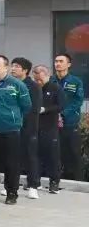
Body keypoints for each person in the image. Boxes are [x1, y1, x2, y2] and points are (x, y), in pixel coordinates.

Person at [0, 55, 31, 204]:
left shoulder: (17, 84)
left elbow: (26, 106)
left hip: (10, 130)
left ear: (6, 67)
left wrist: (13, 118)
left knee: (12, 164)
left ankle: (12, 193)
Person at [11, 57, 42, 200]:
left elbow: (34, 109)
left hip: (28, 126)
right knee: (12, 157)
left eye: (17, 66)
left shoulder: (33, 86)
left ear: (25, 70)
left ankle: (33, 186)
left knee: (30, 157)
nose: (13, 69)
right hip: (12, 126)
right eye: (12, 66)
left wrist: (27, 125)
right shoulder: (10, 84)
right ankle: (11, 185)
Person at [52, 53, 84, 183]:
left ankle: (79, 182)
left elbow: (78, 101)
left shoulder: (75, 81)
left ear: (68, 64)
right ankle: (56, 180)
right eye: (56, 61)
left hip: (70, 123)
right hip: (52, 123)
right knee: (55, 153)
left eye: (61, 61)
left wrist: (63, 114)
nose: (57, 64)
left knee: (74, 153)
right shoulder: (50, 80)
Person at [34, 65, 62, 193]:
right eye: (36, 79)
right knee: (35, 155)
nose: (38, 82)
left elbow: (61, 105)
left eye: (40, 79)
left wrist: (45, 109)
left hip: (50, 126)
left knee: (52, 156)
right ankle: (34, 181)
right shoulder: (34, 88)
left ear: (47, 75)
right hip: (35, 126)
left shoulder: (55, 88)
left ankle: (54, 182)